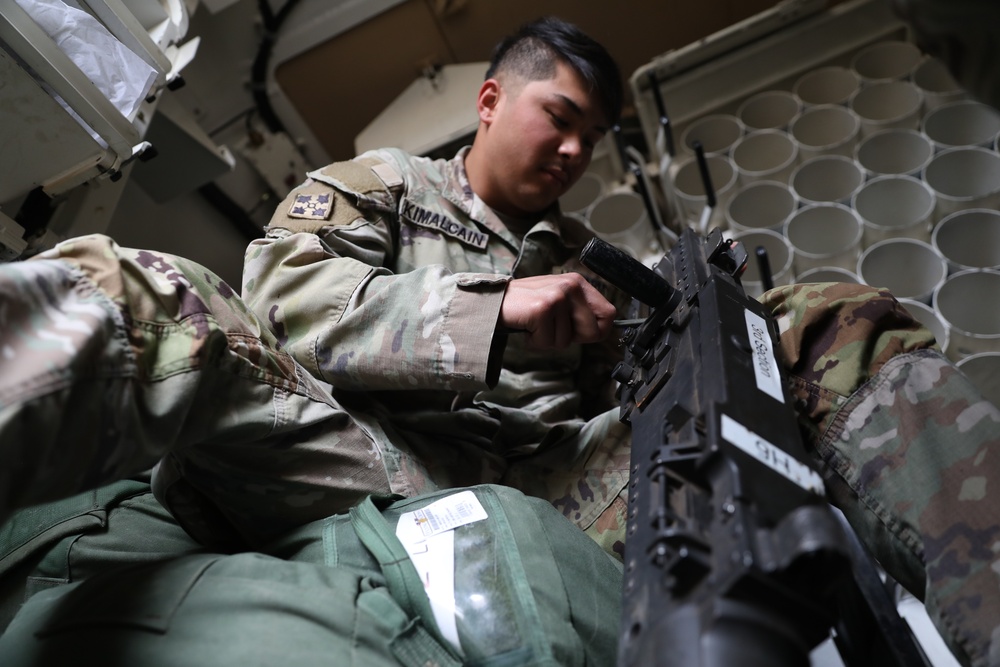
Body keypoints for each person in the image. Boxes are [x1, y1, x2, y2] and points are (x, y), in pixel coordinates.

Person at [0, 12, 997, 667]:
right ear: (489, 101)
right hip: (348, 453)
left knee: (818, 321)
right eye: (557, 119)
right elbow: (289, 300)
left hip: (544, 491)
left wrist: (685, 336)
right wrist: (496, 312)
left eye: (588, 141)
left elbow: (628, 399)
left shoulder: (576, 252)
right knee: (158, 298)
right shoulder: (381, 186)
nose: (571, 153)